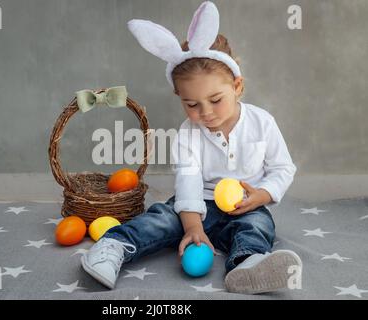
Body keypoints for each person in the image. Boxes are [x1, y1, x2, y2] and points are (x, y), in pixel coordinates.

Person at [81, 1, 302, 294]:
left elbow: (282, 168)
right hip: (196, 203)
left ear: (237, 86)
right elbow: (188, 181)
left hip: (244, 206)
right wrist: (193, 227)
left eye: (215, 99)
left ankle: (247, 264)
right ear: (179, 96)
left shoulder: (262, 122)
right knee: (161, 219)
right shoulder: (188, 133)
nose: (206, 112)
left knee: (258, 226)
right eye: (192, 104)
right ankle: (114, 246)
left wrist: (262, 194)